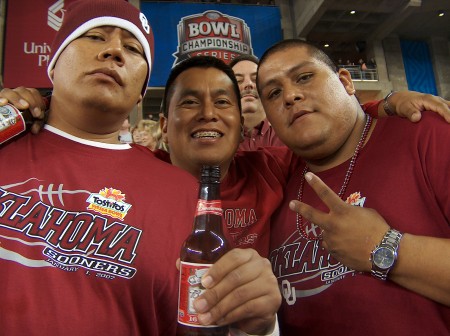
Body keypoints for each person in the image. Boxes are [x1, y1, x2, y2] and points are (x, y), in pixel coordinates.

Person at [0, 1, 281, 335]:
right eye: (94, 37)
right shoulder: (6, 140)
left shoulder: (184, 195)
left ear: (140, 93)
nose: (114, 51)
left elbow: (203, 321)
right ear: (53, 61)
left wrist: (257, 326)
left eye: (132, 48)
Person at [256, 39, 450, 334]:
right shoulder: (274, 179)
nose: (291, 95)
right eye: (273, 93)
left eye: (305, 77)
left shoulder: (425, 135)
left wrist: (384, 247)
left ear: (345, 81)